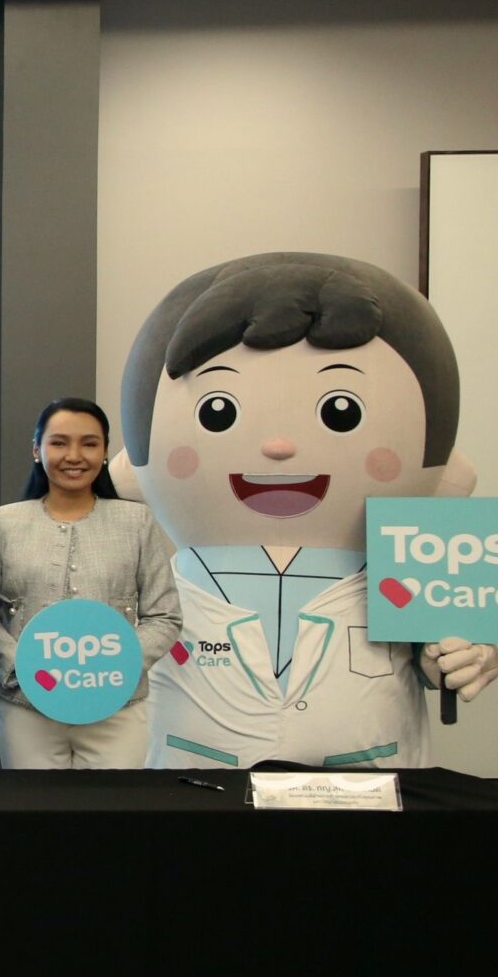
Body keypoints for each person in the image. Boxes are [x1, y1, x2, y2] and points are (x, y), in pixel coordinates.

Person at [113, 252, 498, 768]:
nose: (279, 446)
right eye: (218, 412)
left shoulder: (417, 569)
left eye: (342, 411)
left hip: (367, 784)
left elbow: (434, 660)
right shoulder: (145, 585)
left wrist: (453, 655)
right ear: (131, 468)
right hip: (197, 785)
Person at [0, 398, 182, 768]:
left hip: (117, 706)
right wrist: (23, 669)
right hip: (26, 705)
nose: (74, 456)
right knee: (33, 803)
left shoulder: (136, 522)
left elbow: (164, 616)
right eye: (59, 443)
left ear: (104, 451)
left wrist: (115, 667)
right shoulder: (3, 523)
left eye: (89, 443)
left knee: (111, 804)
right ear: (37, 449)